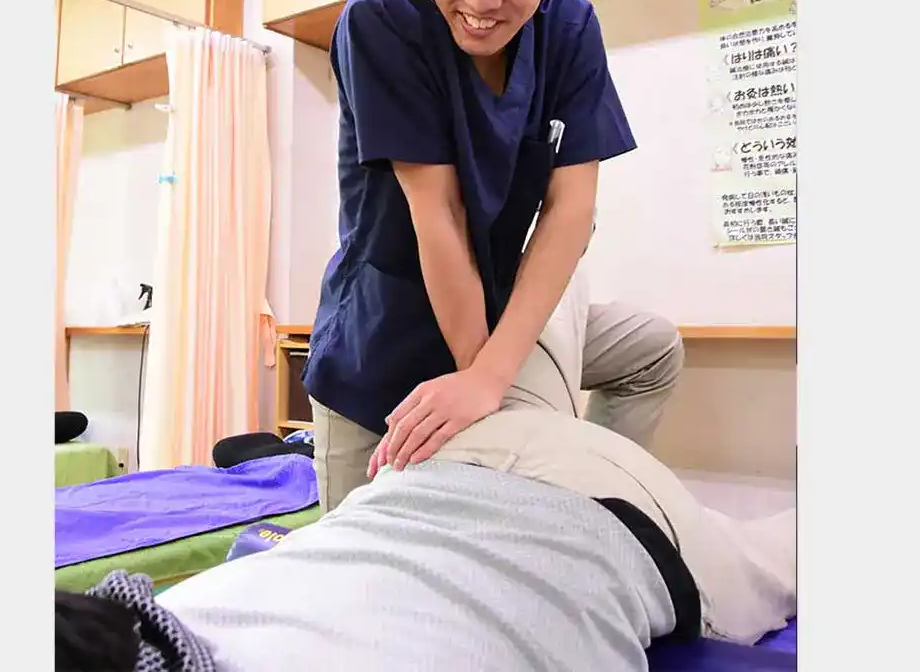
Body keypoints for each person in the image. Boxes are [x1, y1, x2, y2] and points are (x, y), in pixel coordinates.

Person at [54, 262, 795, 672]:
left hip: (497, 468)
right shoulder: (153, 616)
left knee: (638, 339)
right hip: (443, 468)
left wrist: (488, 372)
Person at [303, 0, 684, 513]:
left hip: (500, 318)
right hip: (383, 343)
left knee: (652, 349)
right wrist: (489, 391)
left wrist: (490, 379)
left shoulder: (569, 28)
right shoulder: (383, 17)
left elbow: (570, 211)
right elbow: (441, 212)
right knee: (366, 559)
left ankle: (604, 511)